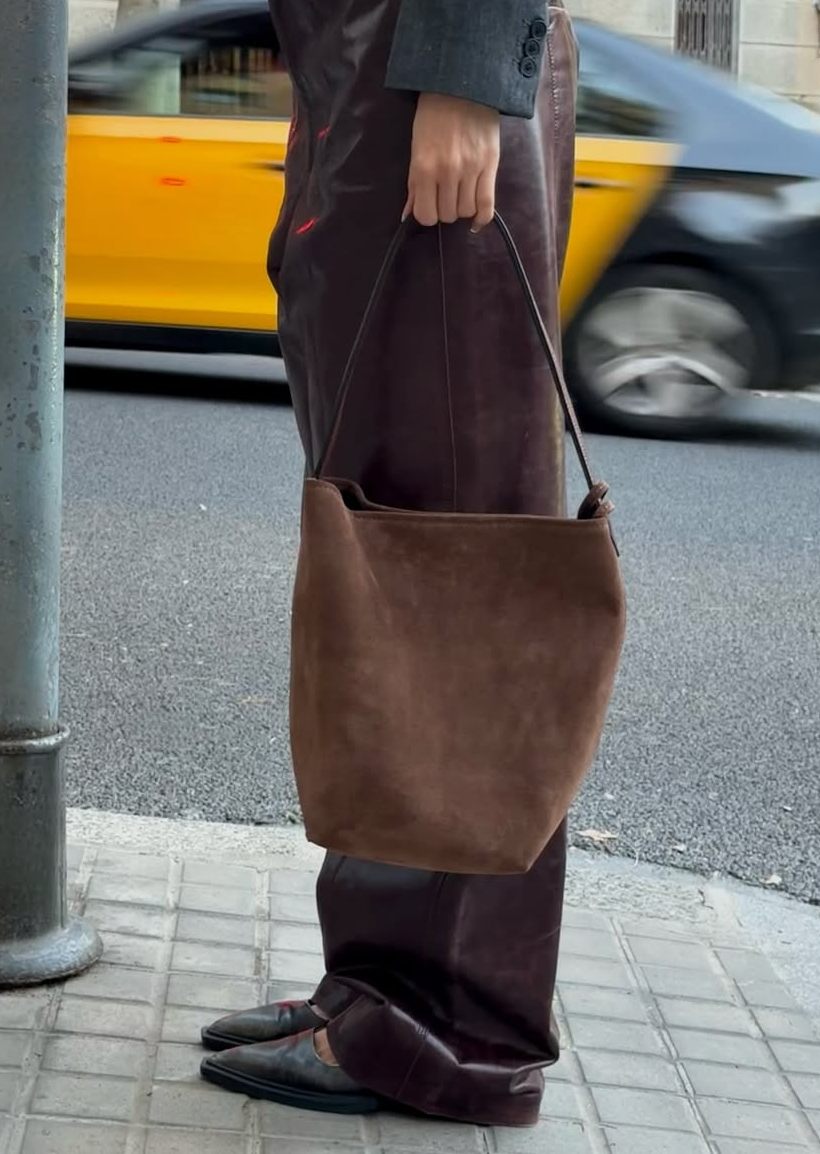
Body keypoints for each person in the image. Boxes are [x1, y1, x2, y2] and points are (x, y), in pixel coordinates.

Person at [200, 0, 578, 1128]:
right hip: (369, 71)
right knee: (376, 546)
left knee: (452, 555)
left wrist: (462, 80)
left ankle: (450, 1029)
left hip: (430, 65)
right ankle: (376, 980)